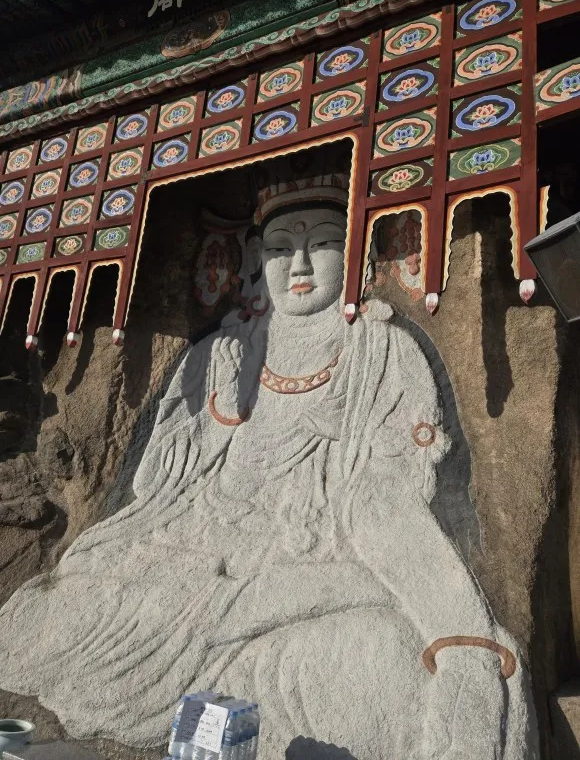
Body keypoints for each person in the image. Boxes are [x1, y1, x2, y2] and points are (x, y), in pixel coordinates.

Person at [0, 153, 538, 760]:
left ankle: (238, 658)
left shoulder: (382, 353)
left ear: (357, 253)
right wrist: (215, 428)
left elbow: (384, 507)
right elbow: (156, 493)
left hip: (315, 557)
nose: (299, 265)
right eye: (281, 249)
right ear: (257, 259)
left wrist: (461, 634)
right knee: (51, 609)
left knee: (375, 655)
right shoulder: (219, 354)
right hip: (193, 551)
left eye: (323, 244)